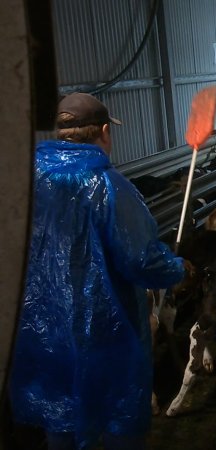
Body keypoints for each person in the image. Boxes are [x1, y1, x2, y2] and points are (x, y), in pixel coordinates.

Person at [8, 93, 186, 450]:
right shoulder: (108, 185)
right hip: (108, 334)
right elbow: (142, 260)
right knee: (118, 420)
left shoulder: (24, 183)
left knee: (62, 418)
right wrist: (177, 266)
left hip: (45, 333)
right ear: (104, 132)